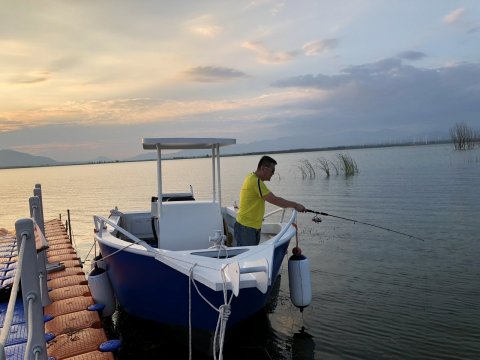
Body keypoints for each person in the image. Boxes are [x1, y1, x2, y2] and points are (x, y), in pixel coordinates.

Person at [234, 155, 306, 246]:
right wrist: (296, 205)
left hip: (251, 226)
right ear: (264, 169)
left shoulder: (251, 177)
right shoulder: (256, 182)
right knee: (247, 257)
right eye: (272, 171)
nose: (273, 173)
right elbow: (275, 200)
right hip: (246, 228)